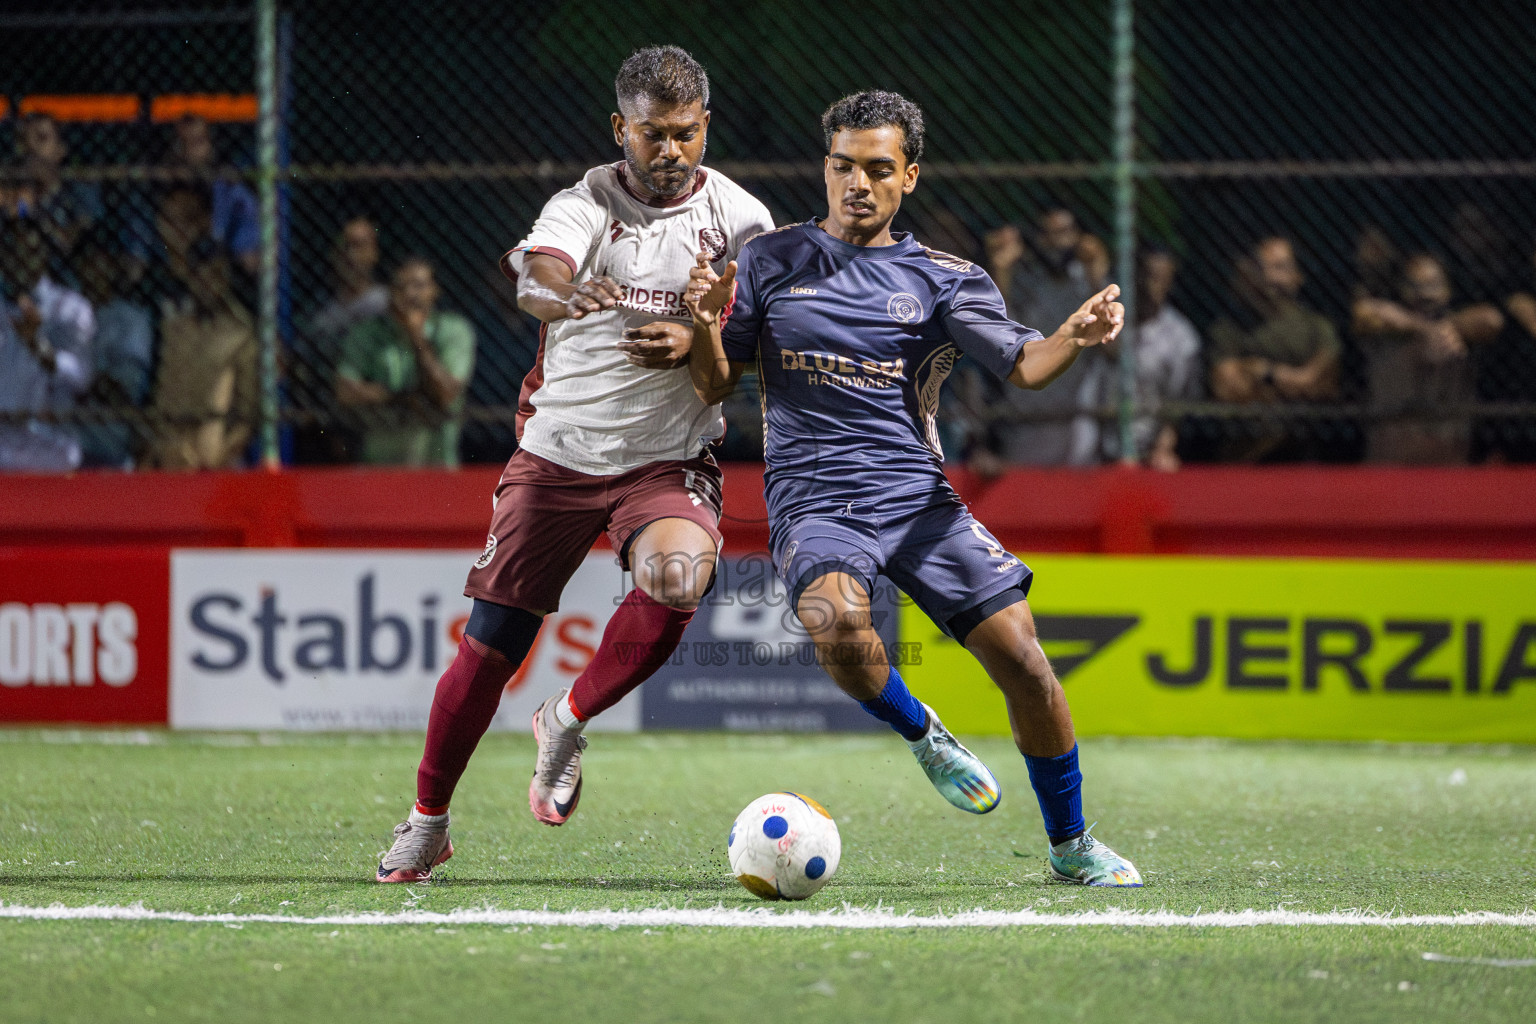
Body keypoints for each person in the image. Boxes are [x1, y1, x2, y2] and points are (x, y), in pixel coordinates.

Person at [685, 91, 1140, 887]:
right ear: (825, 168)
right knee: (836, 625)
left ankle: (1071, 845)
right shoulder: (770, 261)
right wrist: (698, 323)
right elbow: (715, 384)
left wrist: (1073, 334)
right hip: (816, 502)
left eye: (877, 169)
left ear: (910, 178)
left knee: (1025, 661)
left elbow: (1025, 366)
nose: (856, 183)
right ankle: (924, 734)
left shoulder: (944, 279)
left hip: (918, 502)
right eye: (842, 166)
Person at [375, 45, 775, 883]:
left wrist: (701, 339)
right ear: (618, 130)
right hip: (557, 453)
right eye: (651, 135)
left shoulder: (744, 222)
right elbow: (537, 276)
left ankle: (566, 718)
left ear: (707, 127)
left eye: (685, 134)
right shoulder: (583, 201)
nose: (669, 152)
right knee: (488, 648)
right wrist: (564, 295)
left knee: (678, 576)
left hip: (667, 458)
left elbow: (759, 351)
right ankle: (428, 821)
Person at [969, 208, 1108, 469]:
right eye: (1049, 235)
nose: (1056, 243)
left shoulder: (1088, 284)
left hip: (1077, 421)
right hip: (1027, 419)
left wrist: (1096, 273)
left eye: (1064, 234)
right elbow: (997, 337)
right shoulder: (1026, 281)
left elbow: (1114, 350)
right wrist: (1001, 270)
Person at [146, 183, 257, 469]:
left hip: (216, 456)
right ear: (191, 277)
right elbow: (158, 399)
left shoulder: (241, 335)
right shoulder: (174, 329)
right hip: (172, 451)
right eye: (202, 275)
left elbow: (247, 421)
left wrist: (214, 460)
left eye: (217, 275)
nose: (209, 283)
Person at [1354, 252, 1502, 464]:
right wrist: (1425, 330)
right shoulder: (1388, 331)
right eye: (1416, 286)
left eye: (1433, 285)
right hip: (1392, 456)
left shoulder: (1458, 332)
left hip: (1447, 457)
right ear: (1403, 289)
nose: (1425, 294)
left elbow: (1491, 320)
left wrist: (1449, 328)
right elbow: (1365, 313)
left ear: (1448, 290)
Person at [1208, 237, 1341, 461]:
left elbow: (1323, 384)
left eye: (1280, 267)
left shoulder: (1317, 327)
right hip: (1245, 456)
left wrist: (1265, 373)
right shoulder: (1231, 329)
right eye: (1263, 267)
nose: (1269, 276)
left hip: (1305, 456)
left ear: (1298, 276)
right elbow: (1228, 388)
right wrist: (1297, 383)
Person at [334, 257, 474, 467]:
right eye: (401, 286)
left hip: (436, 465)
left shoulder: (454, 330)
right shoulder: (367, 333)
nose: (409, 294)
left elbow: (445, 393)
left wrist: (415, 335)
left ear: (435, 290)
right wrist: (398, 398)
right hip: (381, 466)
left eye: (418, 285)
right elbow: (345, 390)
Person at [0, 216, 94, 472]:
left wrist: (37, 345)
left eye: (29, 251)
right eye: (10, 252)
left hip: (46, 441)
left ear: (43, 255)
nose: (18, 261)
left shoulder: (70, 308)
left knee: (67, 456)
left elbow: (81, 377)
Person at [1100, 246, 1201, 470]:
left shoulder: (1181, 338)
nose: (1151, 285)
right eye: (1147, 276)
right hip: (1095, 445)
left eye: (1161, 278)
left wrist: (1162, 449)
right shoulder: (1110, 320)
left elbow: (1176, 405)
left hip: (1147, 447)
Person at [73, 227, 155, 469]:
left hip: (110, 450)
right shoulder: (66, 311)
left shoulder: (131, 319)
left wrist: (77, 377)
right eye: (88, 262)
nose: (95, 270)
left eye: (103, 261)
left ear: (114, 266)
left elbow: (122, 389)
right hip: (66, 447)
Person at [11, 113, 103, 272]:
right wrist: (20, 208)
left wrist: (35, 213)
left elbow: (71, 240)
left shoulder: (79, 188)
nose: (31, 147)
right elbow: (16, 226)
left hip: (66, 274)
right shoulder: (14, 186)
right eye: (25, 139)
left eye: (41, 138)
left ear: (61, 149)